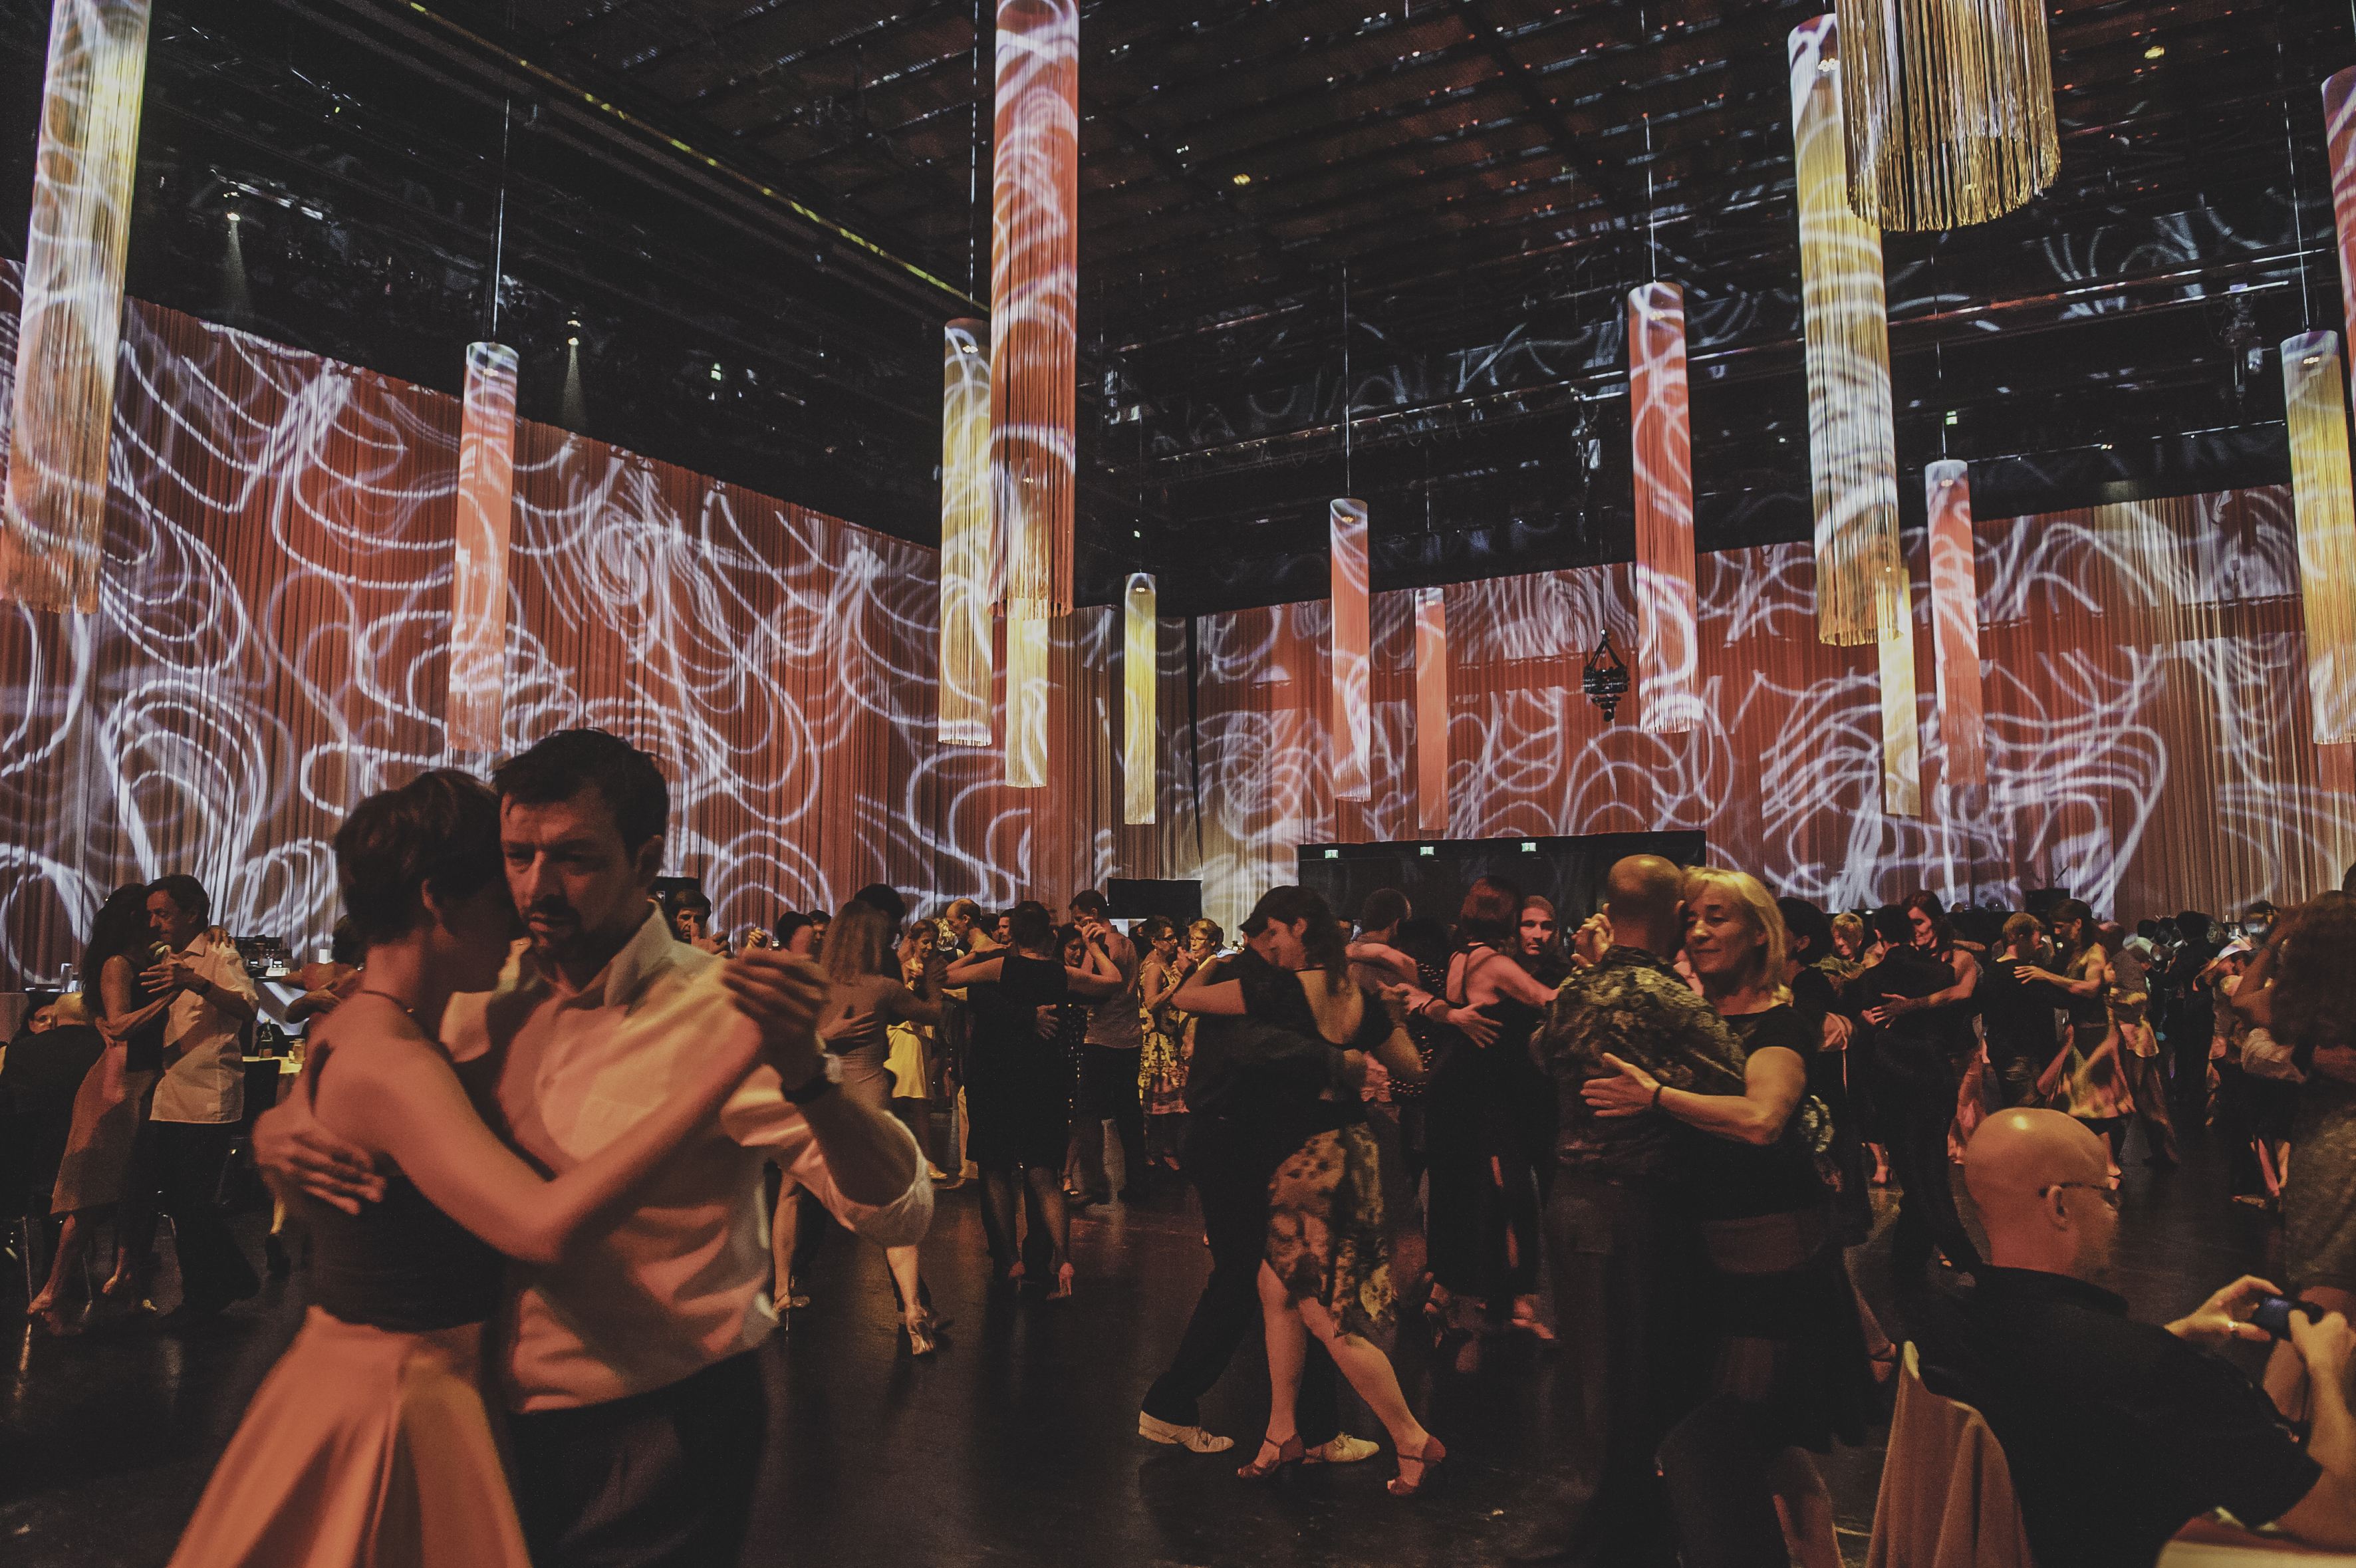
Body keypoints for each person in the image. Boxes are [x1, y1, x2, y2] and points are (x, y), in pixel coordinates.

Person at [257, 729, 929, 1568]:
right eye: (517, 856)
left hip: (652, 1427)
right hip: (466, 1414)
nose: (536, 887)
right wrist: (280, 1129)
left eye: (574, 858)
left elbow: (898, 1210)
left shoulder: (724, 1010)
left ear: (646, 862)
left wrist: (810, 1080)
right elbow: (355, 1053)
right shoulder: (472, 984)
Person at [1916, 1108, 2356, 1568]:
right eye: (2107, 1194)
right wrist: (2324, 1368)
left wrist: (2175, 1336)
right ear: (2059, 1206)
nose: (2115, 1211)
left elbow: (2068, 1377)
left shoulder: (1948, 1323)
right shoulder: (2150, 1372)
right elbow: (2343, 1517)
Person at [1584, 870, 1868, 1568]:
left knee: (1751, 1429)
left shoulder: (1779, 1023)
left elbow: (1762, 1119)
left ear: (1759, 933)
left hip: (1772, 1259)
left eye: (1718, 917)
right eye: (1691, 919)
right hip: (1708, 1260)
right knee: (1750, 1438)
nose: (1700, 931)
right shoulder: (1690, 1017)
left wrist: (1655, 1096)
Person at [1511, 854, 1750, 1567]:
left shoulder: (1573, 994)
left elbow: (1540, 1055)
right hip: (1633, 1212)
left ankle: (1609, 1537)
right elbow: (1745, 1089)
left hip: (1572, 1203)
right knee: (1627, 1393)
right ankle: (1578, 1546)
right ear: (1676, 913)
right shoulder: (1669, 1001)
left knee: (1596, 1383)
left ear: (1608, 913)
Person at [1172, 886, 1441, 1495]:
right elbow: (1412, 1070)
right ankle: (1282, 1433)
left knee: (1320, 1311)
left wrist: (1213, 961)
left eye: (1272, 933)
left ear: (1298, 928)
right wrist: (1394, 1018)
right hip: (1351, 1148)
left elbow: (1184, 999)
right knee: (1276, 1293)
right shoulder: (1359, 994)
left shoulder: (1282, 991)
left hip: (1308, 1158)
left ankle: (1411, 1439)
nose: (1266, 946)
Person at [945, 901, 1120, 1295]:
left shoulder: (1000, 968)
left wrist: (979, 953)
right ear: (1050, 936)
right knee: (1043, 1174)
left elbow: (947, 978)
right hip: (1043, 1080)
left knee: (995, 1170)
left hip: (995, 1080)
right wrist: (1094, 948)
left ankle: (1010, 1260)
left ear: (1014, 936)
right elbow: (1113, 982)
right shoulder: (1060, 974)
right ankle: (1064, 1259)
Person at [113, 873, 261, 1325]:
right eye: (151, 914)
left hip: (207, 1095)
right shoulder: (165, 954)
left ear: (192, 913)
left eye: (163, 914)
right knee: (176, 1200)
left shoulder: (219, 954)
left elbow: (248, 1006)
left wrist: (195, 981)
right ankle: (230, 1281)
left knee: (191, 1202)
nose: (155, 923)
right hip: (168, 1091)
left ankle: (204, 1297)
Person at [25, 886, 172, 1333]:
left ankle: (127, 1280)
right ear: (134, 920)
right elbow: (120, 1024)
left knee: (136, 1190)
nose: (157, 922)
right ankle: (51, 1292)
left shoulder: (149, 961)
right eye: (150, 914)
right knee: (91, 1196)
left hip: (139, 1082)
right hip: (116, 1086)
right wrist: (171, 997)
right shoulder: (118, 964)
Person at [1427, 877, 1557, 1351]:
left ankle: (1462, 1296)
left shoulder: (1460, 957)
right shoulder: (1496, 964)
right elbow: (1548, 1001)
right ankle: (1496, 1301)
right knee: (1501, 1193)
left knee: (1467, 1191)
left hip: (1456, 1084)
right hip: (1481, 1092)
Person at [813, 899, 946, 1356]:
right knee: (896, 1215)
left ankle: (782, 1289)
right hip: (871, 1105)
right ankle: (913, 1309)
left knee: (797, 1200)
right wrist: (933, 984)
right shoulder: (884, 988)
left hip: (823, 1105)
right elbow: (933, 1014)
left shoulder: (814, 986)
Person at [1853, 903, 1982, 1287]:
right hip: (1935, 1076)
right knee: (1929, 1171)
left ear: (1878, 935)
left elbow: (1862, 1033)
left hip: (1893, 1082)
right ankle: (1909, 1257)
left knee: (1918, 1177)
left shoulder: (1870, 980)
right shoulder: (1941, 973)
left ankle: (1967, 1261)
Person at [2022, 898, 2133, 1158]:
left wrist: (2046, 976)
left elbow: (2091, 988)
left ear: (2078, 924)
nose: (2056, 932)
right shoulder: (2074, 953)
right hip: (2084, 1031)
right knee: (2078, 1101)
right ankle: (2100, 1161)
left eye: (2060, 926)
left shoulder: (2095, 952)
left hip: (2099, 1033)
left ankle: (2108, 1164)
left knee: (2093, 1102)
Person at [1069, 889, 1148, 1202]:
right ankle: (1137, 1182)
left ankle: (1095, 1186)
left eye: (1079, 919)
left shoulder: (1100, 945)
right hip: (1130, 1037)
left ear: (1093, 914)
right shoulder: (1127, 943)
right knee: (1128, 1113)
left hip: (1102, 1037)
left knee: (1087, 1112)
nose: (1077, 926)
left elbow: (1089, 988)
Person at [2109, 927, 2180, 1166]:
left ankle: (2111, 1155)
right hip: (2134, 1038)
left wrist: (2105, 995)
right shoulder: (2121, 960)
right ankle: (2165, 1153)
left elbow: (2139, 999)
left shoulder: (2124, 962)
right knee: (2148, 1098)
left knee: (2130, 1096)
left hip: (2134, 1038)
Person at [1978, 913, 2056, 1111]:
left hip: (2003, 1052)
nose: (2039, 947)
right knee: (2032, 1116)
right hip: (2022, 1055)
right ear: (2021, 938)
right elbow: (2047, 1014)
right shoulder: (2026, 974)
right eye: (2036, 941)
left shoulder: (1992, 970)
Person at [1136, 917, 1192, 1173]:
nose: (1174, 941)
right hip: (1156, 1042)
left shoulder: (1163, 963)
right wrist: (1177, 985)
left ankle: (1163, 1149)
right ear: (1155, 941)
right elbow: (1151, 1003)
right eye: (1168, 938)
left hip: (1168, 1037)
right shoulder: (1154, 968)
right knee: (1158, 1100)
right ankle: (1154, 1150)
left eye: (1174, 937)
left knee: (1168, 1103)